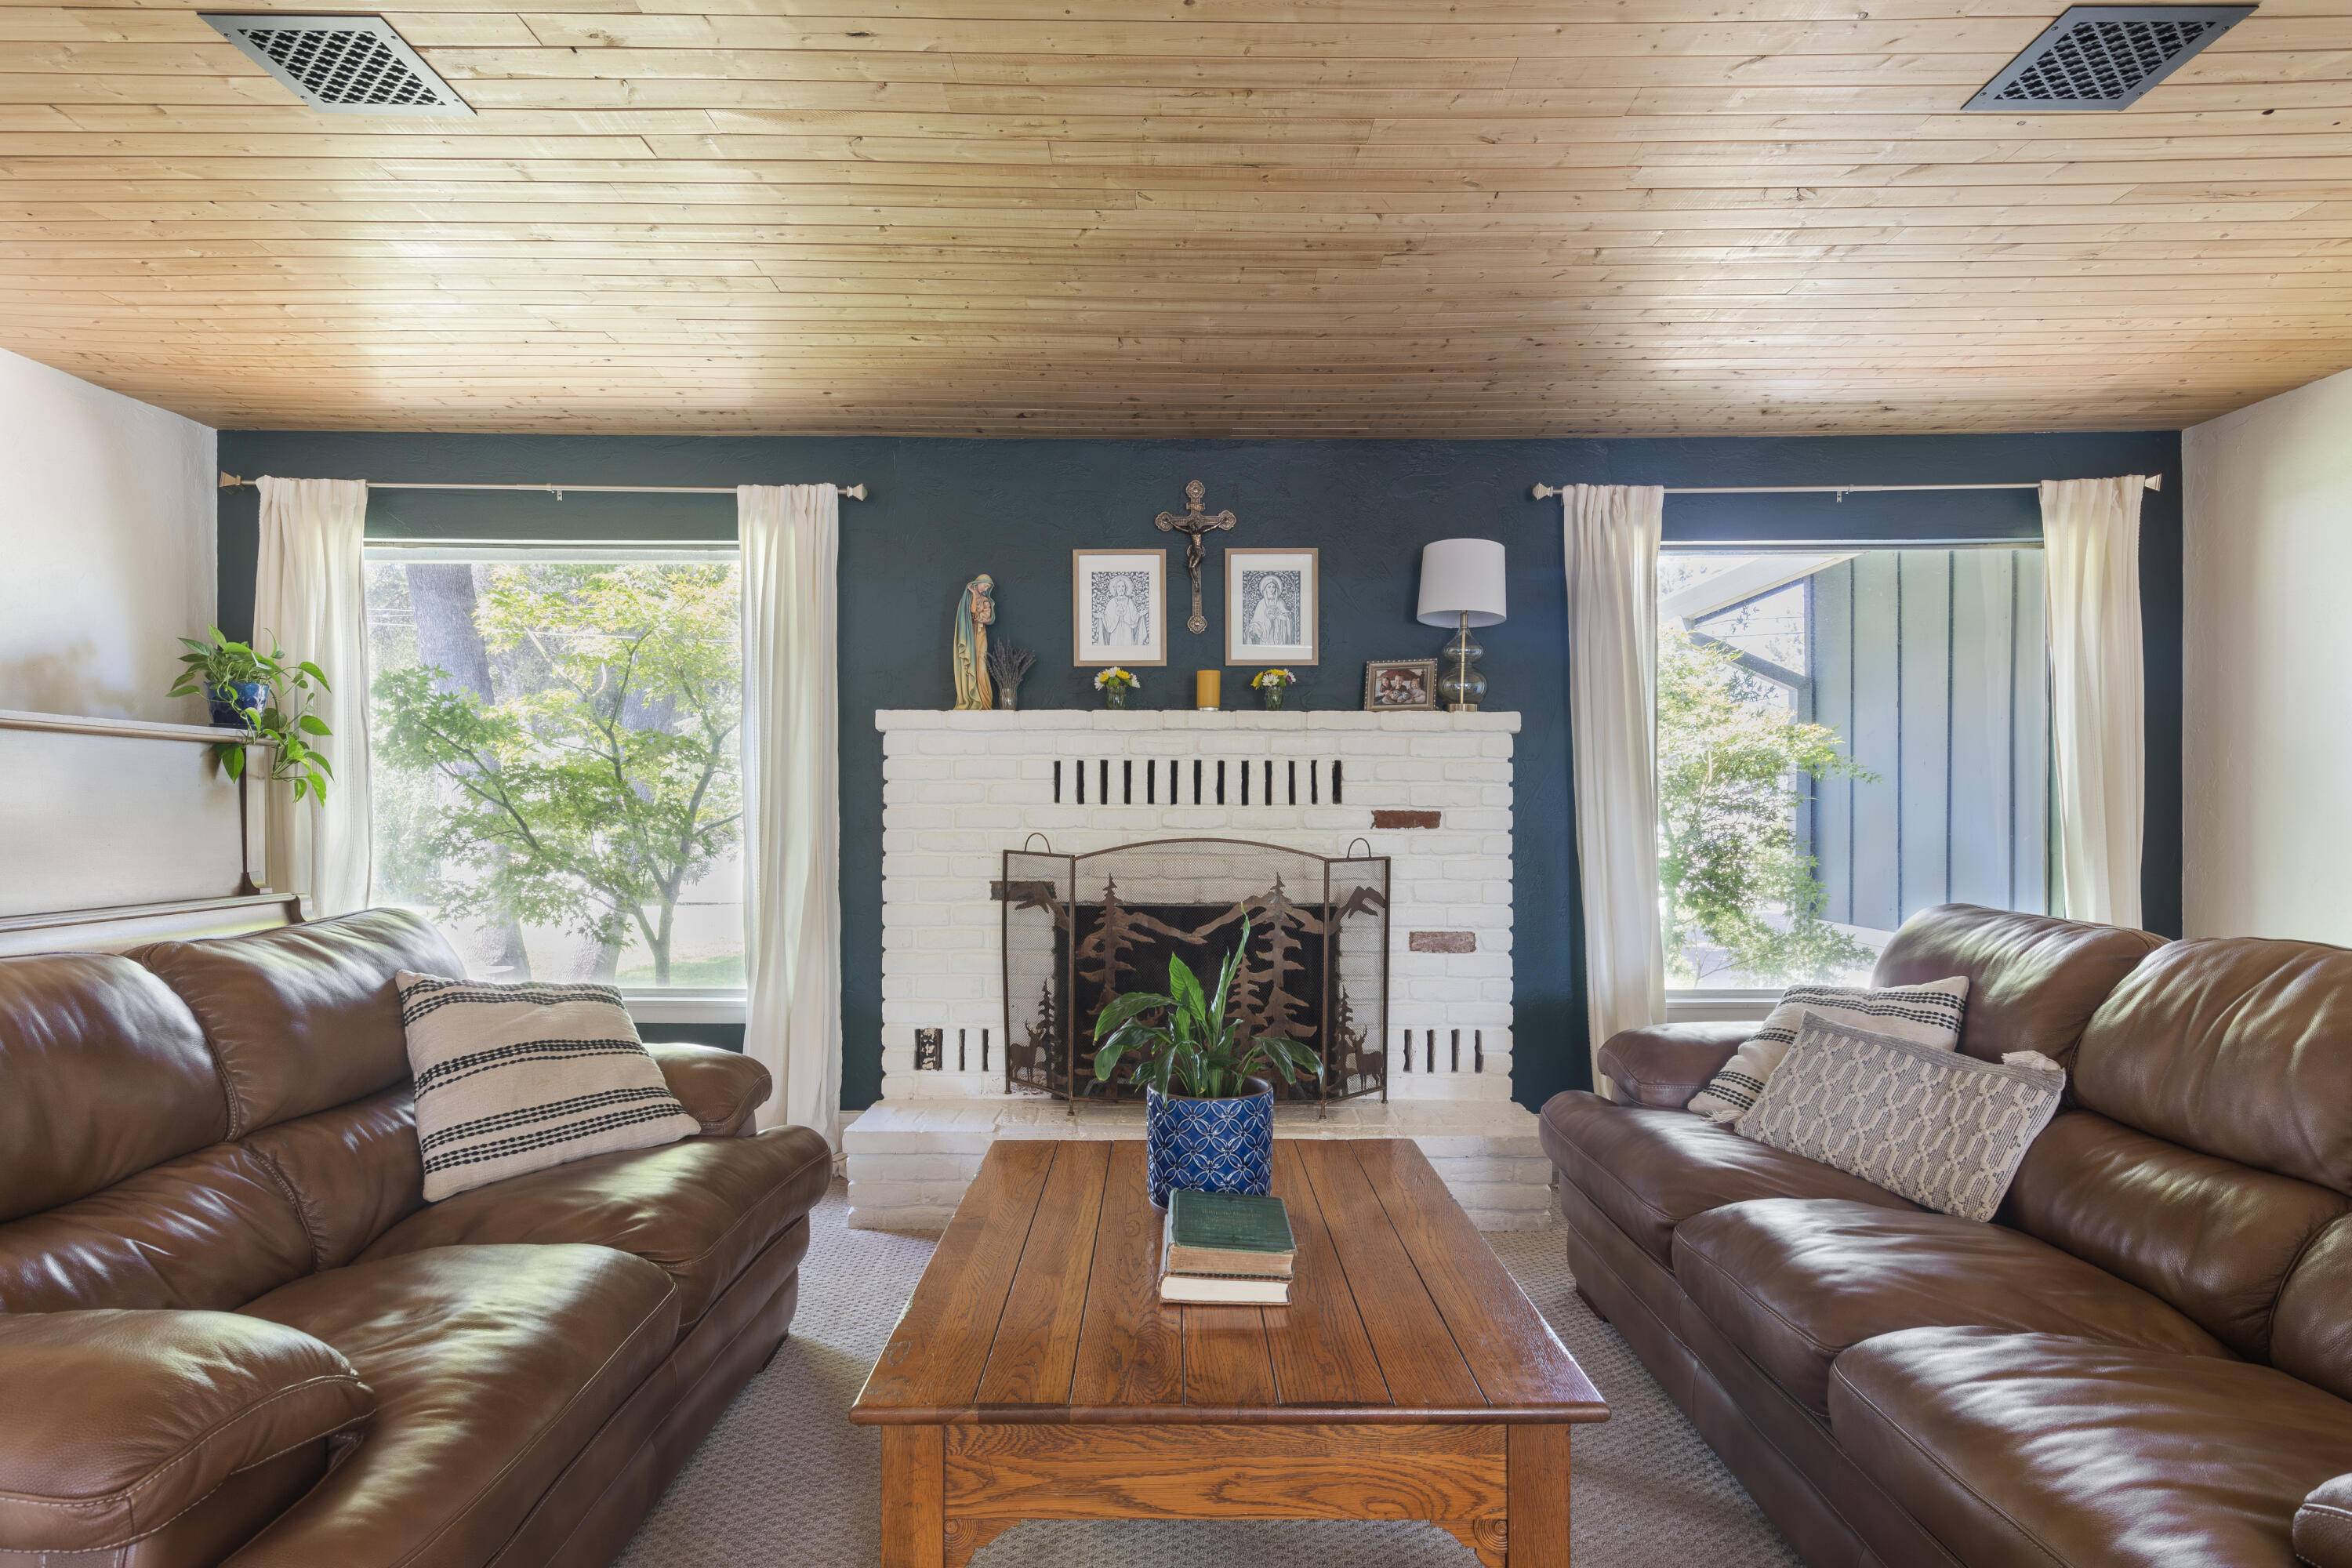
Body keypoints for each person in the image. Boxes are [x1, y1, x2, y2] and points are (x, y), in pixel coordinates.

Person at [952, 573, 995, 710]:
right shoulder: (966, 599)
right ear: (978, 582)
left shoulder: (986, 601)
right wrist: (975, 598)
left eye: (988, 587)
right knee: (969, 667)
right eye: (985, 585)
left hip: (981, 634)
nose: (986, 589)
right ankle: (971, 699)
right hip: (968, 635)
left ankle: (986, 703)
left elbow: (986, 618)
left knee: (981, 668)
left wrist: (976, 615)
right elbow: (968, 615)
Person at [1247, 576, 1294, 647]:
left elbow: (1288, 618)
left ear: (1276, 588)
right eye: (1269, 587)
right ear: (1265, 588)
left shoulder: (1280, 602)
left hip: (1279, 634)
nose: (1272, 589)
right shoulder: (1261, 603)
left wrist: (1278, 617)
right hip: (1266, 636)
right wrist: (1253, 629)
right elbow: (1256, 621)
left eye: (1274, 587)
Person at [1100, 575, 1143, 647]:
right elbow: (1108, 618)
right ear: (1115, 589)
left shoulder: (1130, 602)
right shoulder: (1111, 602)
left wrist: (1139, 615)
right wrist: (1103, 616)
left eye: (1123, 586)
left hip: (1127, 629)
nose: (1121, 589)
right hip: (1115, 629)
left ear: (1126, 589)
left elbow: (1134, 617)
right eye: (1119, 586)